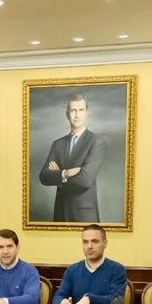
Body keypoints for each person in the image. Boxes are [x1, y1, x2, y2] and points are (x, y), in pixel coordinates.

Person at [38, 93, 105, 222]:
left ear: (87, 113)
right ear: (67, 114)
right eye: (73, 110)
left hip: (84, 215)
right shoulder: (58, 144)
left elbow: (85, 180)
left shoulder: (96, 141)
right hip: (60, 213)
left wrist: (59, 179)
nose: (77, 115)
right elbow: (44, 177)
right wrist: (66, 173)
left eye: (81, 110)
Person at [52, 224, 128, 304]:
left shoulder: (117, 270)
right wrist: (61, 303)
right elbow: (58, 297)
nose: (89, 246)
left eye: (95, 241)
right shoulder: (72, 270)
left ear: (105, 243)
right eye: (85, 242)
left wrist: (90, 298)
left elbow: (115, 302)